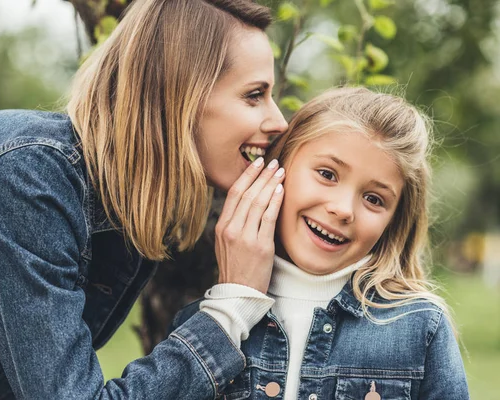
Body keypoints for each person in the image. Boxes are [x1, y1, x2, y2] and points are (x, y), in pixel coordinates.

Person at [0, 1, 289, 399]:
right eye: (254, 95)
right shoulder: (28, 173)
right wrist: (230, 312)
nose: (280, 121)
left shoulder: (127, 209)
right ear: (176, 95)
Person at [172, 87, 470, 399]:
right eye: (327, 174)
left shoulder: (419, 326)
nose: (343, 209)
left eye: (374, 199)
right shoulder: (209, 323)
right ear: (279, 168)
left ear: (394, 221)